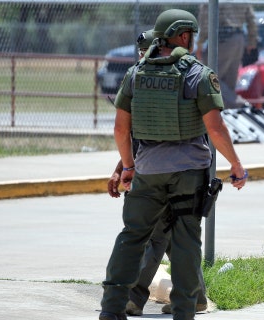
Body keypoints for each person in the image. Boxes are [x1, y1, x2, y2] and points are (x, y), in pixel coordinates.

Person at [99, 8, 247, 320]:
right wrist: (236, 164)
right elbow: (216, 129)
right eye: (191, 34)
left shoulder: (135, 74)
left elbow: (120, 129)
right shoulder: (197, 74)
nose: (193, 40)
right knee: (185, 241)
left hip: (147, 173)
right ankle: (184, 312)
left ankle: (112, 309)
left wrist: (127, 167)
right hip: (188, 175)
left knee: (132, 237)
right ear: (182, 34)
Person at [106, 29, 208, 317]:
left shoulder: (177, 81)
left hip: (173, 174)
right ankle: (196, 296)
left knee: (153, 237)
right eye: (140, 51)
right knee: (170, 239)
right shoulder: (143, 79)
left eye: (146, 50)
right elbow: (134, 136)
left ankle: (132, 297)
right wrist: (120, 170)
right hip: (150, 172)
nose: (141, 56)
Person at [196, 3, 257, 107]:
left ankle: (237, 103)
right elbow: (251, 19)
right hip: (239, 38)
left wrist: (200, 43)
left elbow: (206, 21)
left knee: (210, 77)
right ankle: (229, 112)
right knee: (229, 81)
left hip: (221, 38)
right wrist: (251, 41)